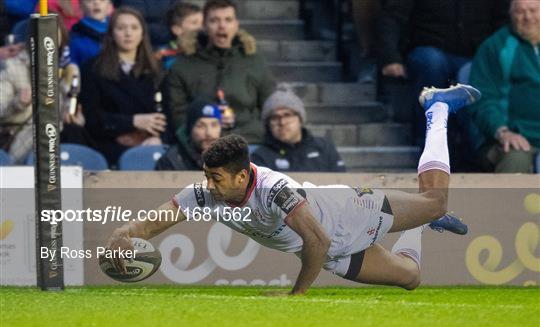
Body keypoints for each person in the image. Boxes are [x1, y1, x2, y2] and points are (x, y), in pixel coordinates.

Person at [105, 84, 479, 295]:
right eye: (207, 176)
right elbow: (150, 225)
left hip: (351, 211)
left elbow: (314, 240)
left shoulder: (276, 190)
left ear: (240, 177)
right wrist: (123, 236)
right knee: (411, 278)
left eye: (215, 178)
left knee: (434, 201)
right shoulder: (206, 194)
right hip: (334, 250)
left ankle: (437, 108)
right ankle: (418, 223)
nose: (207, 186)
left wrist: (295, 296)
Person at [375, 0, 509, 145]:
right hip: (428, 49)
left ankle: (476, 147)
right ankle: (429, 141)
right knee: (432, 63)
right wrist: (390, 57)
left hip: (475, 55)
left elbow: (503, 21)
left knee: (472, 72)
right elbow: (393, 16)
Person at [167, 0, 276, 143]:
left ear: (236, 24)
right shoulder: (183, 65)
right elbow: (178, 114)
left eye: (228, 20)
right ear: (204, 26)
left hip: (249, 140)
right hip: (200, 144)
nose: (222, 26)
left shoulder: (254, 61)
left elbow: (270, 105)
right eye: (214, 20)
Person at [81, 7, 166, 166]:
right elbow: (92, 118)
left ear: (142, 34)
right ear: (111, 33)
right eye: (121, 28)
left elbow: (167, 114)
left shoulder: (157, 70)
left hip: (150, 144)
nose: (128, 33)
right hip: (107, 147)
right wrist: (133, 121)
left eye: (134, 28)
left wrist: (157, 137)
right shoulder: (92, 69)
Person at [469, 0, 540, 173]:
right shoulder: (495, 46)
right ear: (510, 14)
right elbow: (482, 99)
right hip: (513, 139)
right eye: (520, 12)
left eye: (533, 10)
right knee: (516, 159)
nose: (527, 17)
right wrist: (502, 131)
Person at [0, 17, 84, 163]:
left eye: (52, 35)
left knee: (74, 133)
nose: (47, 41)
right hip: (22, 137)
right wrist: (17, 103)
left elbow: (75, 108)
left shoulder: (70, 70)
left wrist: (78, 120)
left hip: (62, 134)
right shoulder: (12, 67)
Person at [251, 88, 346, 172]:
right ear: (268, 124)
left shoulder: (324, 148)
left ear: (300, 119)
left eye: (287, 115)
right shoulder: (260, 157)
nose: (282, 122)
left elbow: (342, 183)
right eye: (275, 117)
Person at [155, 98, 221, 171]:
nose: (209, 133)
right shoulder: (171, 161)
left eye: (214, 125)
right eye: (201, 126)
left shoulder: (231, 159)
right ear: (190, 129)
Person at [155, 2, 202, 70]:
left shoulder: (207, 49)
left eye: (203, 23)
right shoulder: (163, 54)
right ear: (176, 30)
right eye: (194, 23)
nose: (201, 27)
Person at [69, 0, 112, 67]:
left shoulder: (117, 29)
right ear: (80, 6)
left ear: (110, 6)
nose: (96, 2)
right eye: (90, 0)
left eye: (102, 0)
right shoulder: (75, 34)